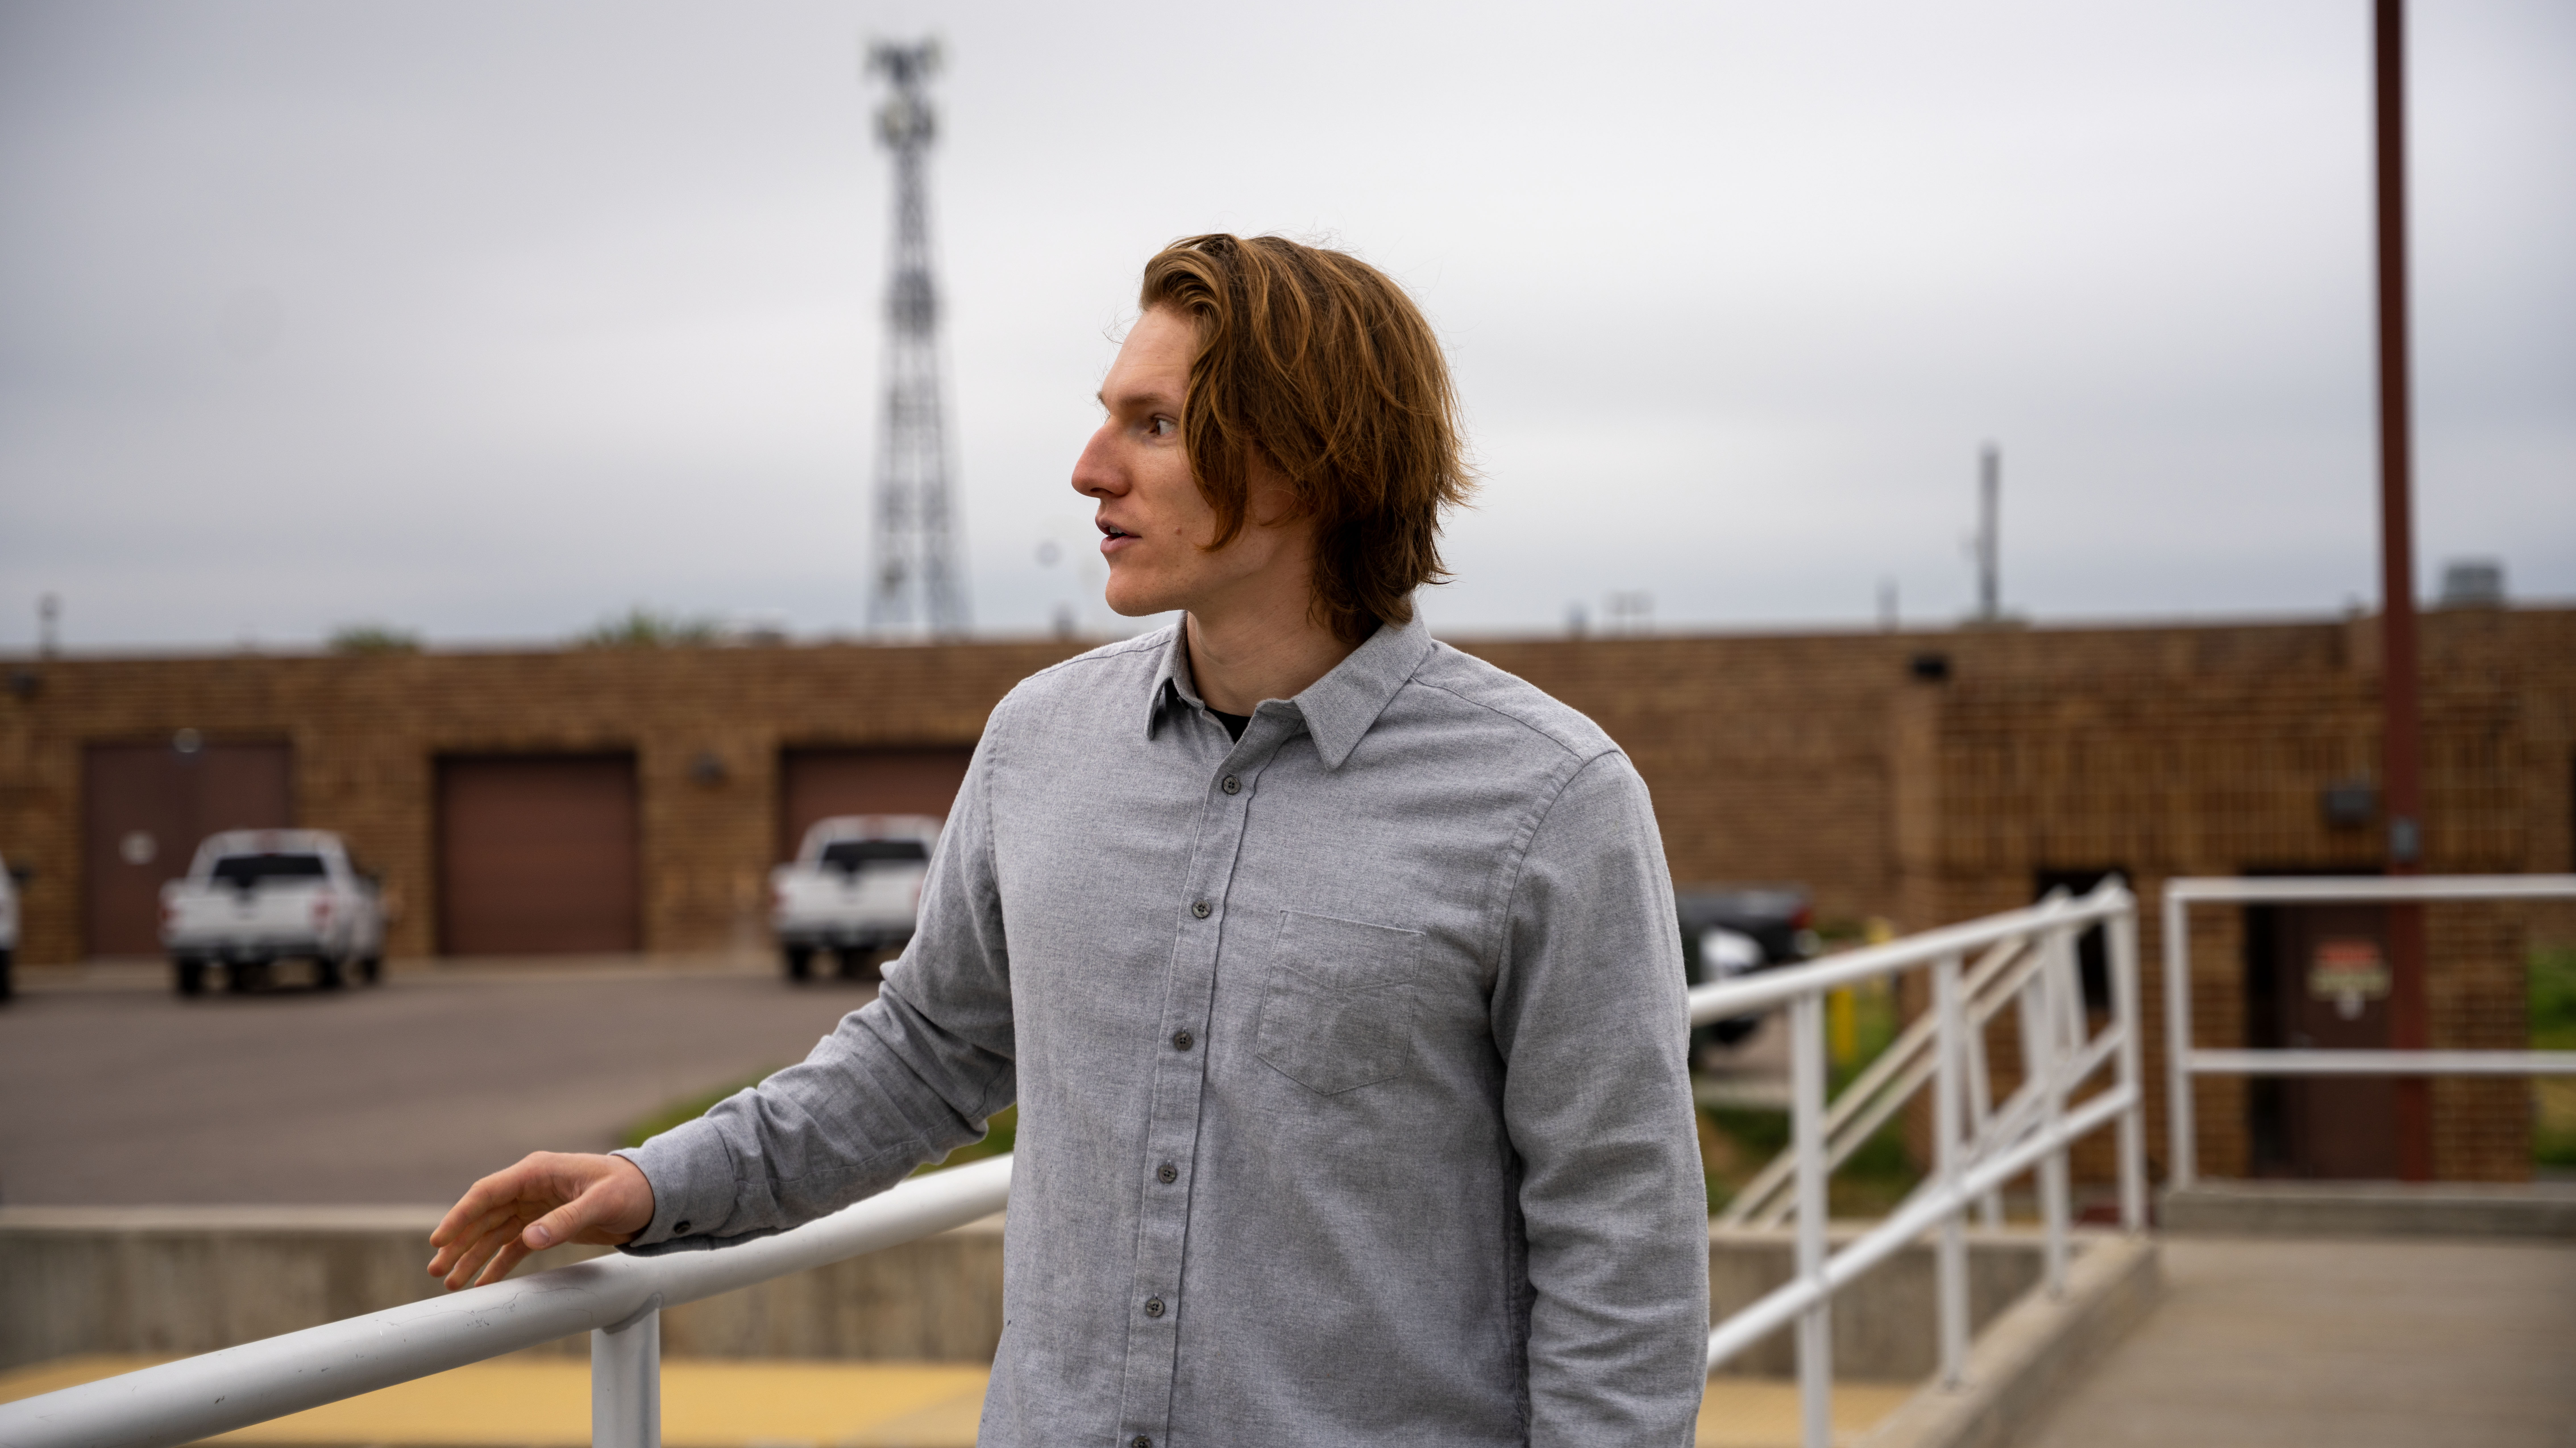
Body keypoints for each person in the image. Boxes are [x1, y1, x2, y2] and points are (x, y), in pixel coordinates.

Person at [427, 234, 1709, 1445]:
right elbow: (923, 1056)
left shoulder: (1550, 800)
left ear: (1304, 463)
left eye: (1152, 426)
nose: (1091, 468)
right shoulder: (1040, 741)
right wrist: (658, 1184)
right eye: (1111, 416)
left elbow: (1621, 1234)